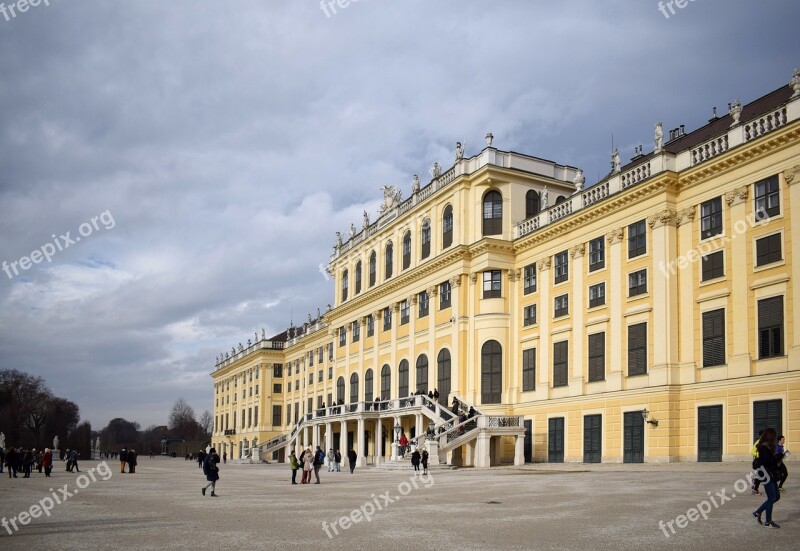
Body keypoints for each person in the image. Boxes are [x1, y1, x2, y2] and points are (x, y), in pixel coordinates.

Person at [753, 428, 782, 528]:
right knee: (771, 498)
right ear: (770, 436)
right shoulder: (764, 447)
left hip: (770, 474)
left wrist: (779, 457)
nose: (775, 438)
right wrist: (778, 457)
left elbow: (770, 461)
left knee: (776, 496)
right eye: (774, 436)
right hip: (766, 475)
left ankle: (758, 512)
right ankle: (768, 522)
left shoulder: (769, 446)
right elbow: (767, 462)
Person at [751, 430, 765, 494]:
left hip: (763, 462)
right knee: (761, 476)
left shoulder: (765, 442)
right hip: (758, 462)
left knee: (761, 476)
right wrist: (759, 455)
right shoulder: (758, 442)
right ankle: (755, 488)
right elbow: (752, 452)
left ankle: (755, 485)